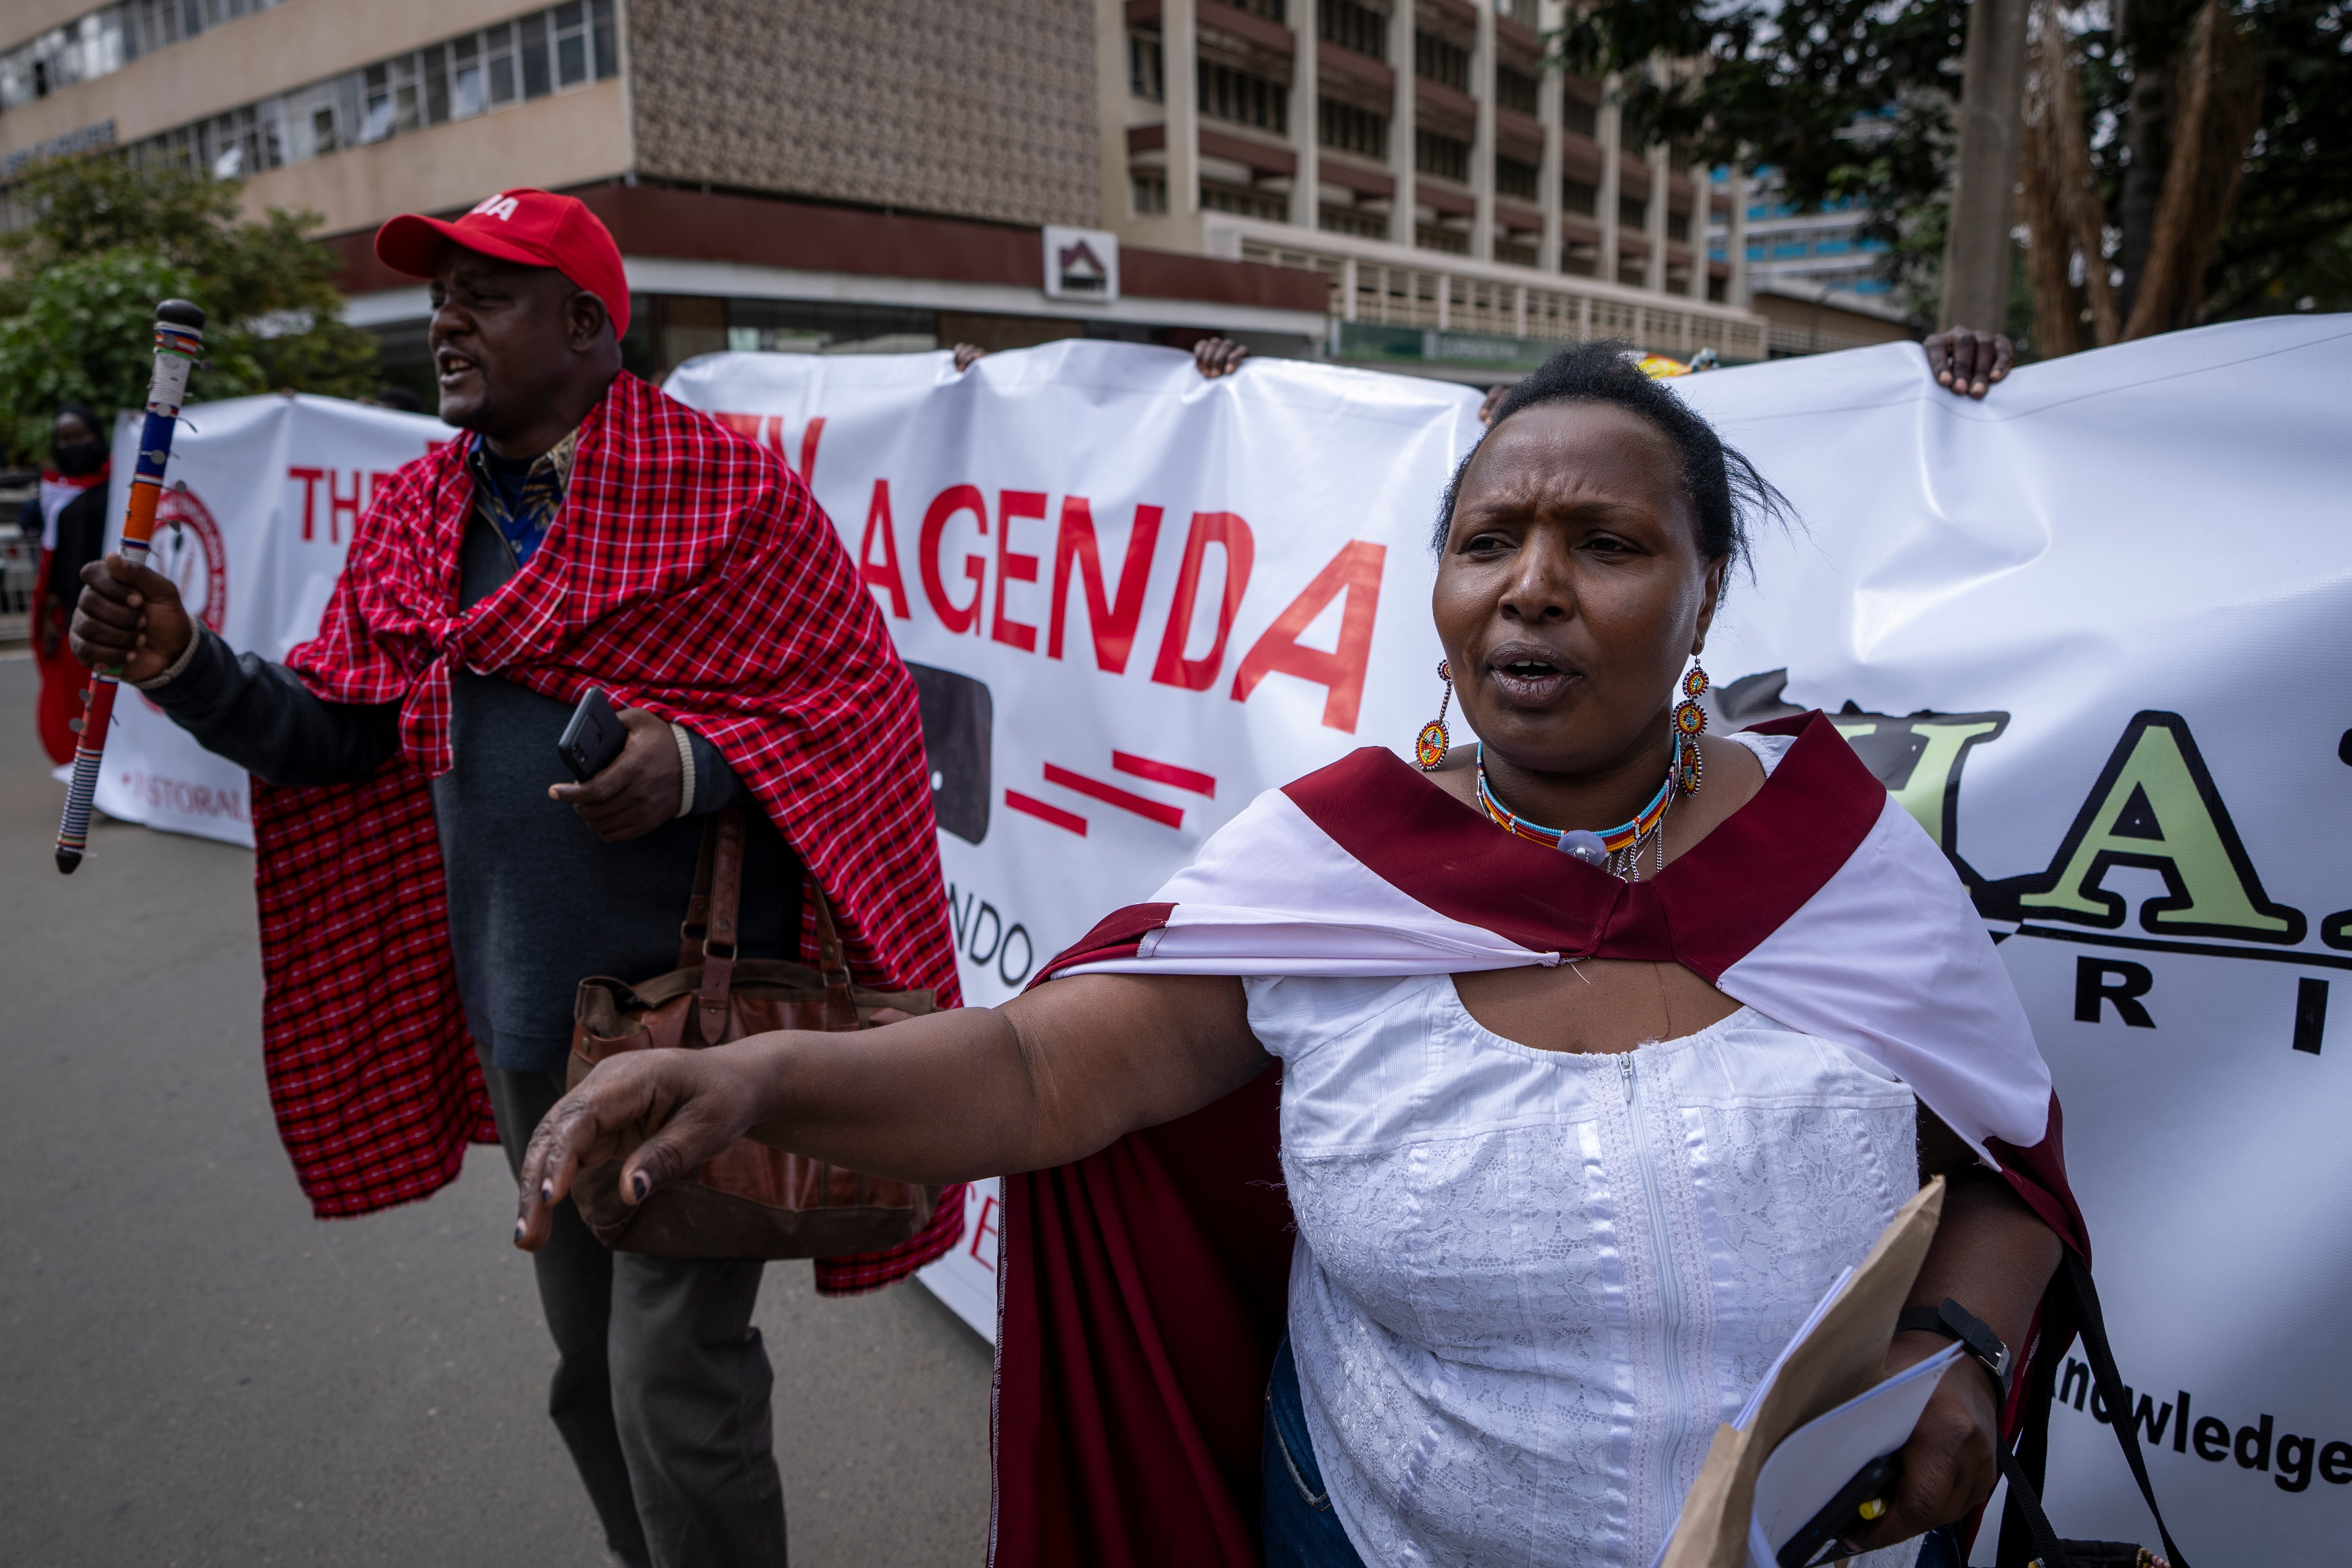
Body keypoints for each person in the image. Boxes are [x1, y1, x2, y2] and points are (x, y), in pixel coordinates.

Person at [516, 341, 2090, 1568]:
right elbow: (1033, 1065)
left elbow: (2006, 1170)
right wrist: (762, 1076)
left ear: (1704, 596)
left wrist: (1956, 1354)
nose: (1531, 583)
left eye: (1604, 541)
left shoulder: (1846, 855)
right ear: (1444, 589)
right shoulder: (1332, 862)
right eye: (1488, 541)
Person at [69, 189, 962, 1568]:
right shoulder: (417, 518)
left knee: (676, 1382)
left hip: (688, 1031)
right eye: (440, 296)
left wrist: (694, 761)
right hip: (525, 1027)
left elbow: (860, 711)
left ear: (586, 325)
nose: (443, 320)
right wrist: (184, 662)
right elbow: (331, 734)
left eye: (481, 294)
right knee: (587, 1373)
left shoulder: (730, 494)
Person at [17, 403, 111, 763]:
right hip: (72, 615)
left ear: (96, 435)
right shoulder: (55, 492)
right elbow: (52, 558)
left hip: (117, 611)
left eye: (80, 436)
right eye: (65, 439)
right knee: (75, 702)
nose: (73, 445)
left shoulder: (127, 485)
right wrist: (48, 614)